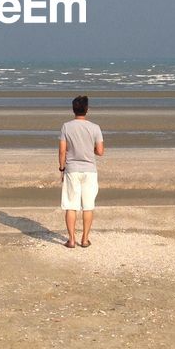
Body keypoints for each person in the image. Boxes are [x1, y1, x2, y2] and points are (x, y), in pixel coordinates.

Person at [58, 94, 103, 249]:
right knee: (88, 206)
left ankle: (71, 240)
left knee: (71, 205)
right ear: (87, 110)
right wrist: (90, 151)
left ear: (73, 110)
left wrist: (62, 168)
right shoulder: (95, 127)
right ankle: (84, 239)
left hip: (72, 169)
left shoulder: (66, 126)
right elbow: (100, 151)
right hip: (89, 170)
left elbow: (62, 151)